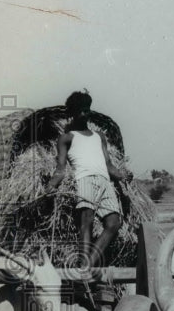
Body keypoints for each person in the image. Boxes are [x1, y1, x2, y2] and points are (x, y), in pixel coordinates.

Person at [48, 90, 132, 275]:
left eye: (88, 110)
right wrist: (50, 186)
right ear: (73, 113)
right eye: (81, 111)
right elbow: (60, 168)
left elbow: (109, 164)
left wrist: (122, 176)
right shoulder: (67, 138)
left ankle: (86, 266)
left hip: (104, 182)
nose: (86, 114)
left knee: (114, 222)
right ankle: (84, 268)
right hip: (84, 179)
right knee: (85, 221)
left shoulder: (99, 136)